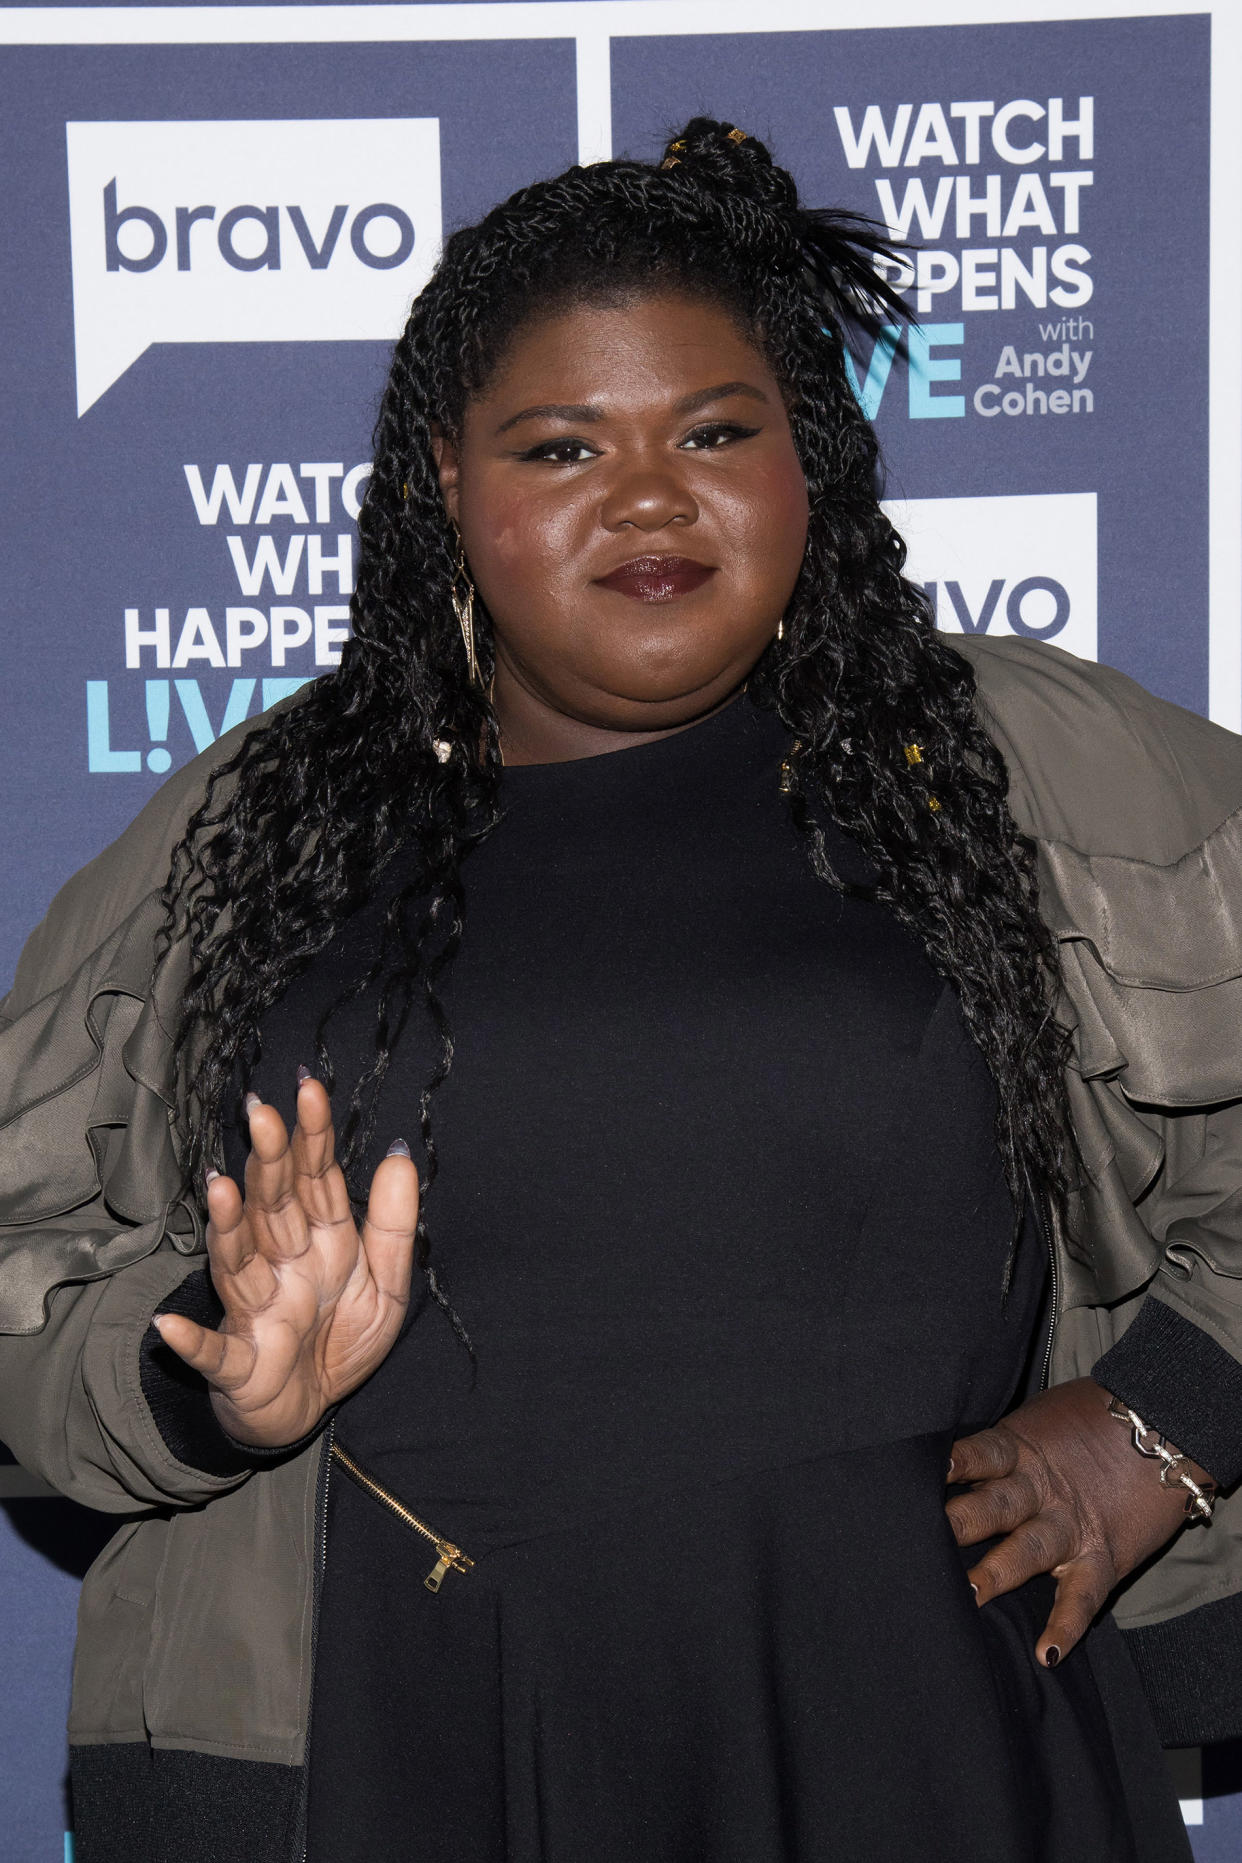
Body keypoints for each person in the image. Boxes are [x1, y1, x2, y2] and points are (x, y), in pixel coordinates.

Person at [1, 117, 1241, 1863]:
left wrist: (1160, 1422)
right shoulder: (254, 836)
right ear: (446, 478)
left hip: (916, 1730)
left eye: (717, 432)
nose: (650, 497)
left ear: (806, 453)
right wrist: (206, 1377)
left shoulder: (1020, 774)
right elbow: (20, 1275)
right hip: (400, 1738)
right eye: (562, 444)